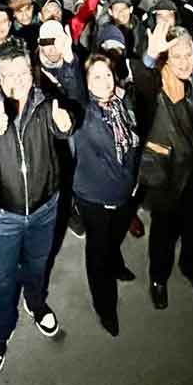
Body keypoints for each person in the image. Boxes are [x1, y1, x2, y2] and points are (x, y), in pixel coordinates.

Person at [0, 47, 76, 379]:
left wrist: (66, 123)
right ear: (0, 78)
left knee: (38, 264)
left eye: (22, 73)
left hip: (46, 207)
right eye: (9, 75)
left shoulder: (47, 102)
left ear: (32, 73)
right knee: (2, 278)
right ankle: (1, 334)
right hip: (3, 215)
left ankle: (36, 302)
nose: (16, 80)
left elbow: (64, 123)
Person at [134, 18, 193, 310]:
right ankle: (158, 279)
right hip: (168, 176)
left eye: (188, 54)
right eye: (176, 56)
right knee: (163, 235)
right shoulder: (155, 85)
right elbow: (140, 84)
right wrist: (150, 57)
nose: (184, 62)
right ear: (166, 57)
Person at [72, 54, 139, 336]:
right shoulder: (82, 111)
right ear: (86, 83)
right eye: (96, 76)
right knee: (98, 253)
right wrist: (68, 61)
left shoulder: (122, 103)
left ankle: (116, 263)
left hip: (125, 191)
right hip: (94, 197)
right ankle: (105, 308)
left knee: (115, 238)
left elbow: (133, 142)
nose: (104, 81)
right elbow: (71, 84)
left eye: (108, 75)